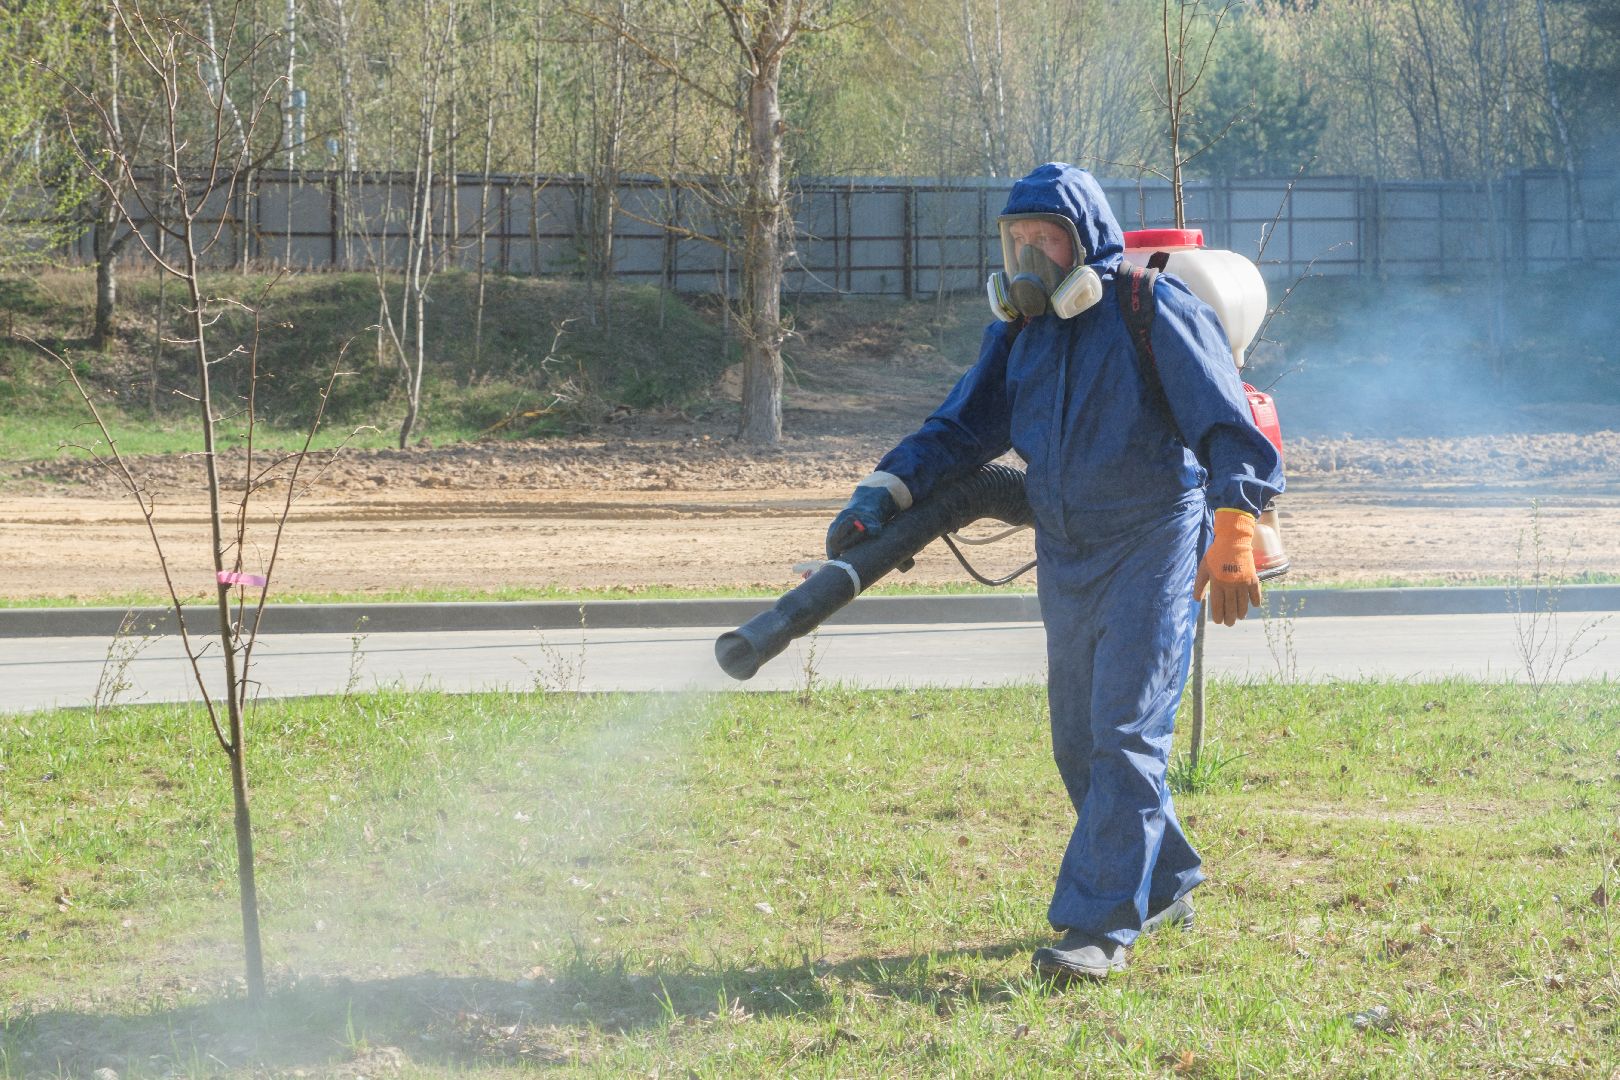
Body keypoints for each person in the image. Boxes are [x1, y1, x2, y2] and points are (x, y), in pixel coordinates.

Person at [824, 162, 1284, 982]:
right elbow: (961, 428)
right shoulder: (1020, 335)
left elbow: (1227, 424)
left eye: (1047, 239)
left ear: (1086, 244)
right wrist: (884, 490)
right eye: (1016, 239)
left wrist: (1238, 523)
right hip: (1068, 551)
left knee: (1126, 730)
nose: (1029, 255)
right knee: (1078, 739)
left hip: (1154, 538)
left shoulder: (1152, 310)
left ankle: (1098, 925)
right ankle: (1169, 879)